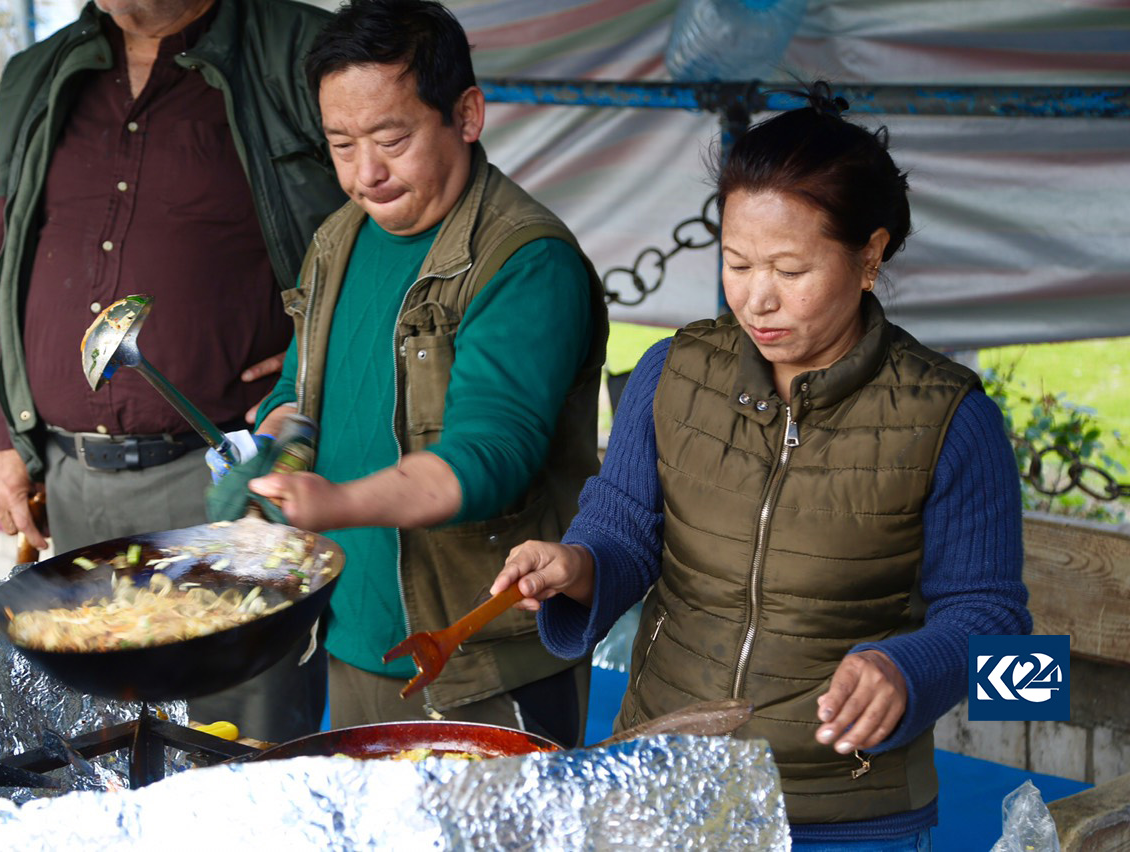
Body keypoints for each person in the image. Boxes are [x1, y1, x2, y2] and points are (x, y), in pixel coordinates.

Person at [491, 84, 1032, 845]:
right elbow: (623, 531)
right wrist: (575, 565)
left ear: (869, 254)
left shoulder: (951, 420)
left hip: (843, 813)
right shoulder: (672, 374)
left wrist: (910, 670)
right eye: (737, 262)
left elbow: (1003, 633)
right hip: (663, 779)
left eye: (790, 269)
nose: (757, 299)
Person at [0, 0, 347, 741]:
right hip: (71, 488)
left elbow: (390, 215)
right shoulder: (36, 75)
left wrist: (313, 353)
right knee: (98, 762)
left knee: (241, 756)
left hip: (230, 483)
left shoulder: (302, 50)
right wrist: (0, 430)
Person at [237, 0, 608, 748]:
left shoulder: (525, 260)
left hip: (480, 656)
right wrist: (277, 444)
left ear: (466, 114)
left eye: (392, 139)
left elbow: (489, 461)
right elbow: (301, 388)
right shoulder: (339, 238)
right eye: (341, 144)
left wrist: (334, 502)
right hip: (355, 638)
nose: (365, 174)